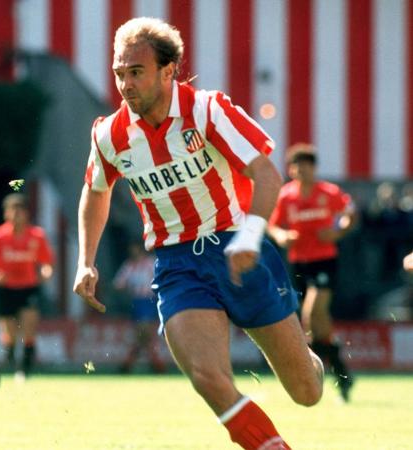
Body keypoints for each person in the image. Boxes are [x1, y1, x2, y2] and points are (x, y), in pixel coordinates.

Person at [73, 17, 323, 450]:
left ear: (167, 71)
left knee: (307, 392)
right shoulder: (109, 134)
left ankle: (308, 357)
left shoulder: (207, 109)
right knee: (208, 378)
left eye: (136, 72)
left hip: (237, 247)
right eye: (119, 73)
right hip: (176, 263)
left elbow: (266, 174)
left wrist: (250, 235)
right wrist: (85, 260)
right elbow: (95, 192)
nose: (126, 85)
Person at [268, 143, 356, 401]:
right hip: (299, 263)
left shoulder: (328, 192)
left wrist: (338, 231)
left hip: (324, 260)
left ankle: (316, 372)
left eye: (305, 166)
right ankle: (342, 374)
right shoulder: (286, 196)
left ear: (313, 168)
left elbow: (349, 213)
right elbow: (272, 226)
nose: (300, 171)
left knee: (311, 313)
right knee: (318, 327)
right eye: (296, 166)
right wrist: (282, 235)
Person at [0, 193, 54, 380]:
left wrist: (46, 271)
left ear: (27, 214)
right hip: (6, 288)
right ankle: (9, 357)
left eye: (21, 211)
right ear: (6, 214)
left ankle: (25, 368)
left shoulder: (37, 235)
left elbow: (46, 262)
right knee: (9, 331)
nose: (17, 215)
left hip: (29, 286)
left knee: (29, 325)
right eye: (13, 211)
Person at [113, 242, 165, 374]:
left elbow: (162, 277)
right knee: (144, 335)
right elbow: (118, 284)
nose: (133, 253)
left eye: (135, 250)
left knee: (144, 333)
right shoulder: (129, 266)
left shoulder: (151, 263)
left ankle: (129, 363)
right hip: (137, 302)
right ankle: (156, 365)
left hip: (149, 301)